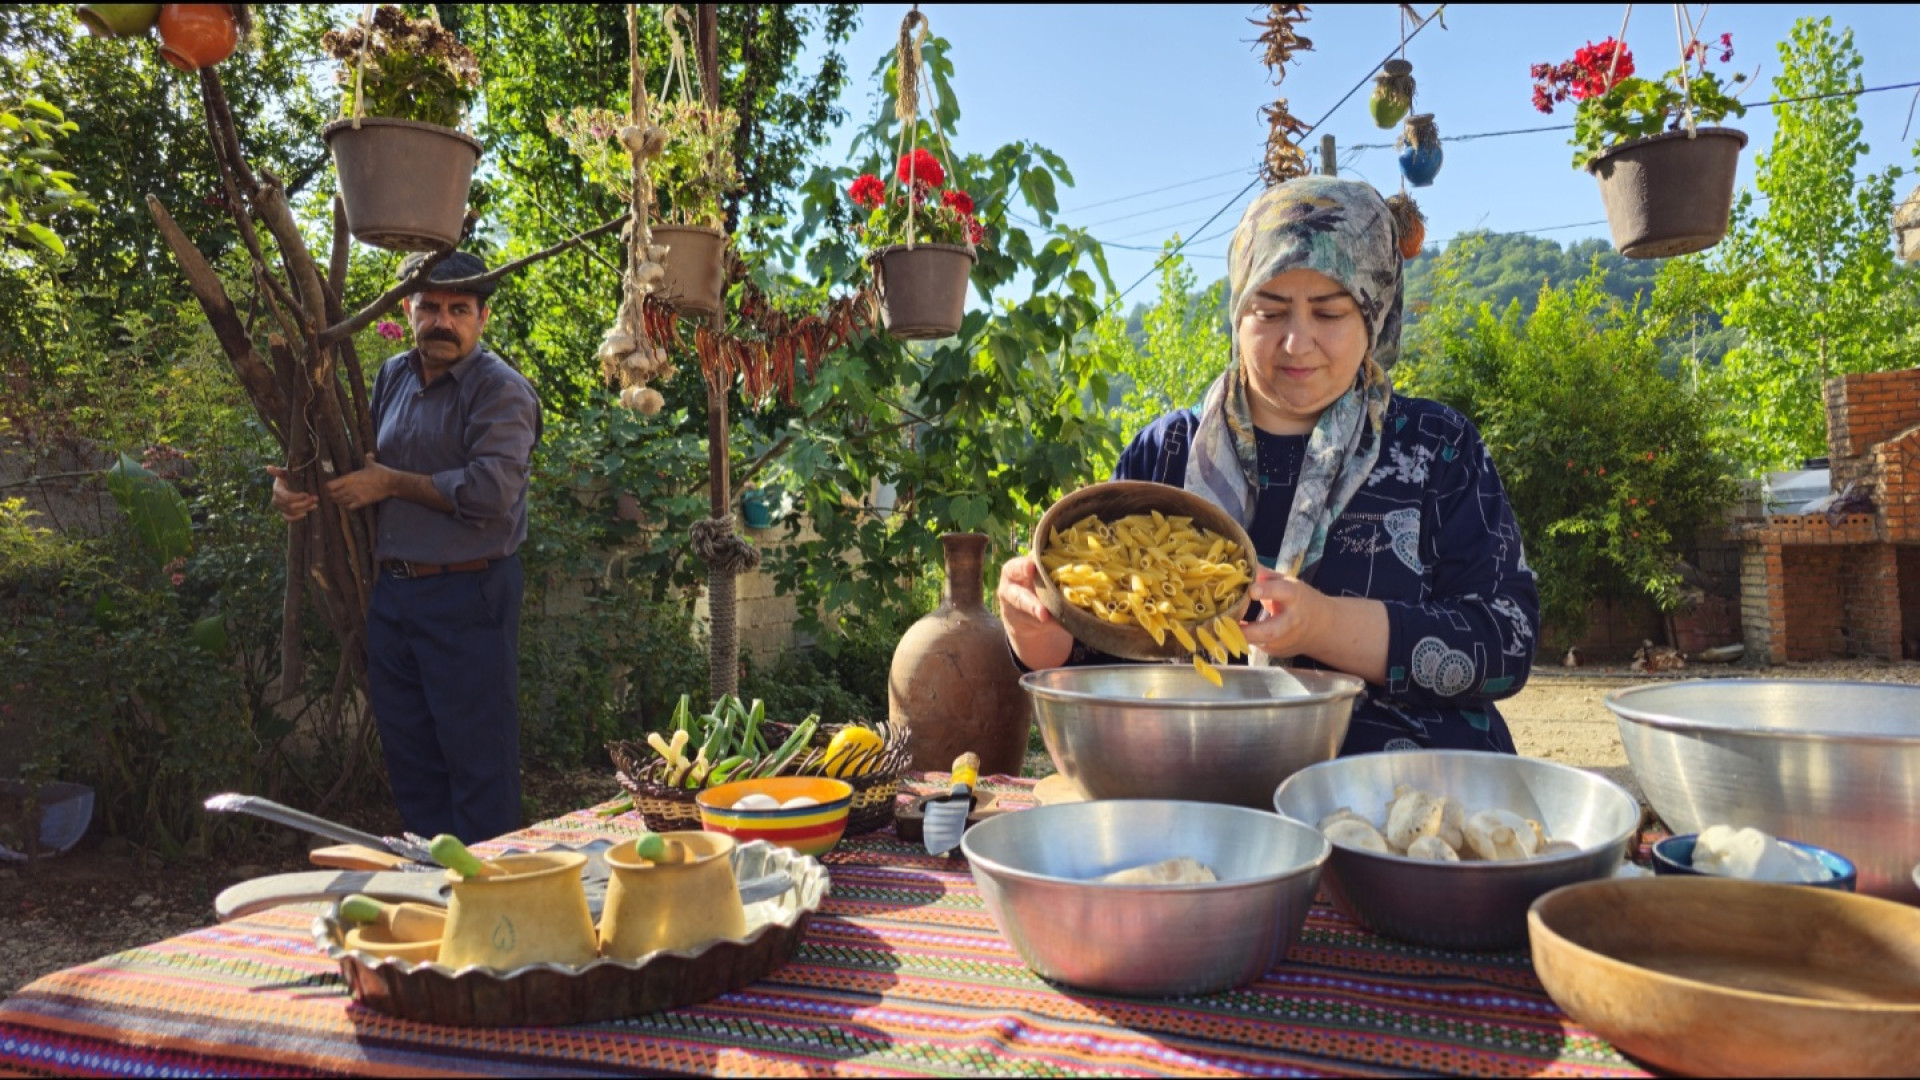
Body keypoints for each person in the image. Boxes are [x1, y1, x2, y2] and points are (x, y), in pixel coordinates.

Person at [999, 176, 1538, 755]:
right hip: (1197, 787)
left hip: (1406, 804)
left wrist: (1322, 625)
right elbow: (1096, 657)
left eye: (1329, 313)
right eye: (1270, 310)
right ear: (1238, 313)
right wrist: (1035, 631)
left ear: (1375, 317)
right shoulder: (1166, 455)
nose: (1296, 342)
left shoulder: (1436, 449)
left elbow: (1504, 643)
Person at [269, 250, 541, 841]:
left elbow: (490, 492)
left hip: (470, 593)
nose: (442, 321)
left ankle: (491, 905)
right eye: (429, 307)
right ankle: (433, 894)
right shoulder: (394, 375)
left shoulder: (500, 391)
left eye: (458, 310)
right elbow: (357, 464)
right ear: (410, 311)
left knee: (477, 761)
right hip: (395, 597)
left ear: (481, 318)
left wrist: (392, 483)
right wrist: (292, 488)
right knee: (412, 758)